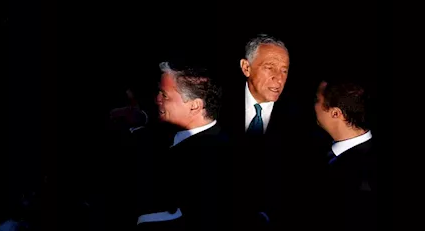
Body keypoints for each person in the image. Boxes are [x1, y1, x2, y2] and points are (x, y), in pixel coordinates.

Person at [134, 62, 228, 229]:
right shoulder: (170, 130)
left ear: (195, 105)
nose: (157, 99)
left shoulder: (212, 160)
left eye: (164, 95)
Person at [229, 35, 310, 227]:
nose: (279, 78)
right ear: (246, 67)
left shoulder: (301, 120)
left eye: (284, 70)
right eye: (269, 67)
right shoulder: (216, 105)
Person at [309, 78, 376, 231]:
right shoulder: (320, 146)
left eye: (316, 100)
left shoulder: (364, 179)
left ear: (335, 113)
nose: (313, 106)